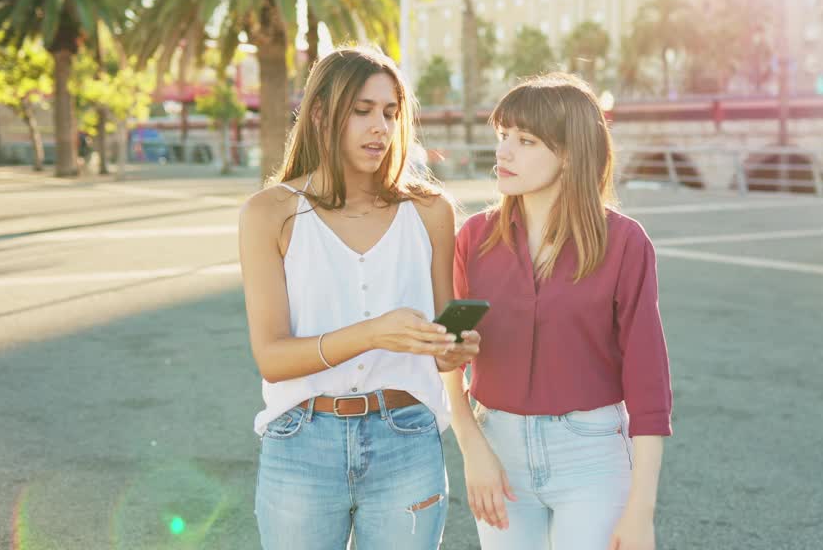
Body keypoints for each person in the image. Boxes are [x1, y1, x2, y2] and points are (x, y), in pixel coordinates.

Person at [237, 47, 480, 550]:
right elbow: (272, 357)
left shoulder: (431, 211)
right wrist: (373, 334)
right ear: (322, 112)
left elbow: (442, 346)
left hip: (408, 440)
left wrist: (452, 348)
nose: (381, 128)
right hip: (300, 442)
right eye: (363, 111)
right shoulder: (270, 213)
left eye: (391, 114)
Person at [446, 73, 672, 550]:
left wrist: (641, 511)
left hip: (592, 452)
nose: (503, 152)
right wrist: (472, 449)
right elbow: (447, 354)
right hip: (498, 450)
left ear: (570, 155)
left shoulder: (625, 243)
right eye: (502, 136)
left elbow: (648, 382)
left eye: (525, 141)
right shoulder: (473, 240)